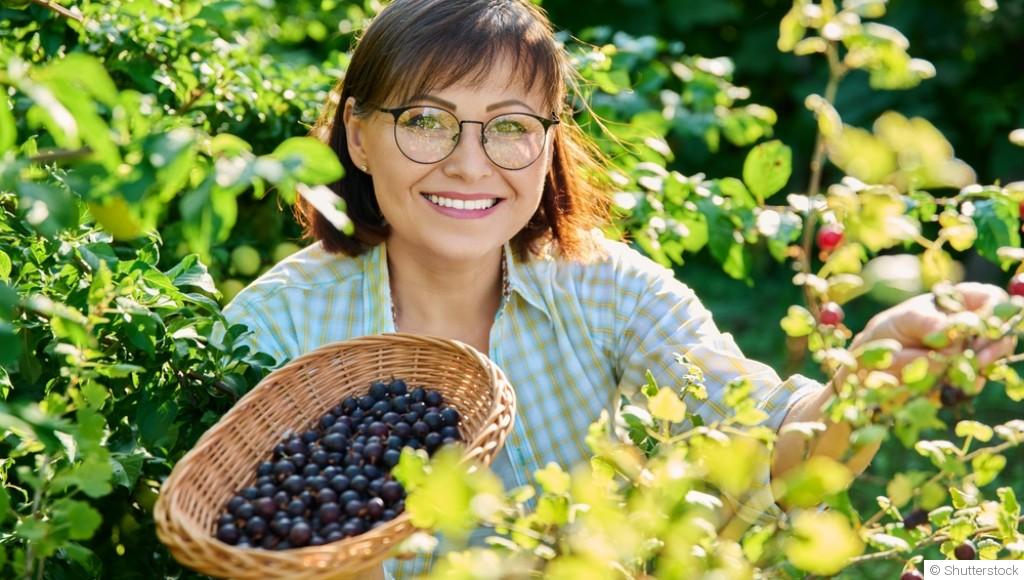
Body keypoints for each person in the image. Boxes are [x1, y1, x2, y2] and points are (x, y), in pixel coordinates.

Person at [216, 0, 1015, 577]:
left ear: (549, 142)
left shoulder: (605, 290)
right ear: (358, 133)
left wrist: (866, 378)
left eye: (510, 126)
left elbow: (772, 443)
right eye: (426, 119)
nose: (469, 162)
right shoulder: (275, 329)